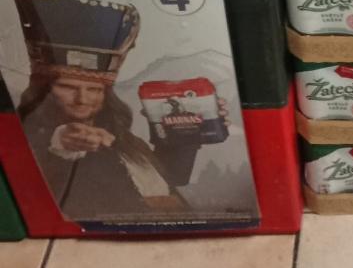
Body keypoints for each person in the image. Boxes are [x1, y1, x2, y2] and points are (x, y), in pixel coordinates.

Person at [17, 69, 229, 220]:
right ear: (44, 91)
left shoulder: (126, 141)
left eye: (93, 89)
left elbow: (173, 177)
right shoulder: (32, 142)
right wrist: (63, 141)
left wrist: (187, 129)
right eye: (67, 87)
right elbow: (57, 154)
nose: (82, 98)